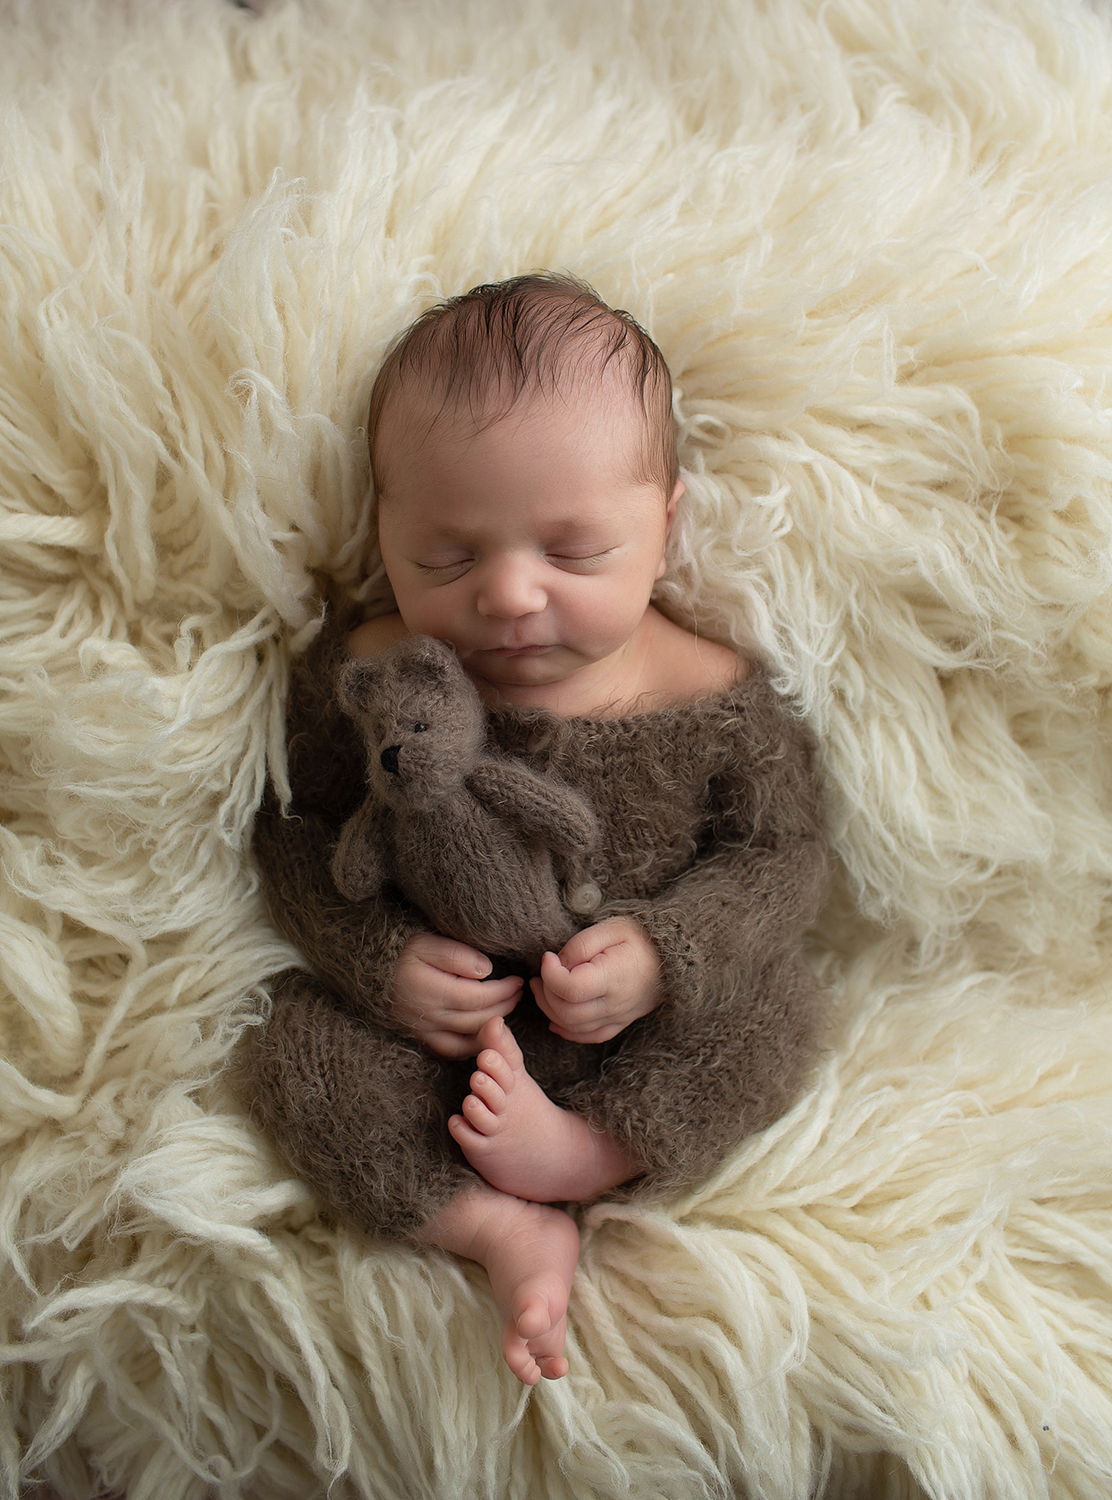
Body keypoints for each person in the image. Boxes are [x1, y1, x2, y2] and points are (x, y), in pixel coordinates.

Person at [239, 274, 829, 1386]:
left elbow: (782, 858)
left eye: (572, 553)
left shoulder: (712, 695)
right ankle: (493, 1225)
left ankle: (592, 1153)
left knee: (774, 1016)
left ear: (665, 525)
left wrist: (666, 952)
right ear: (383, 533)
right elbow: (294, 829)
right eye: (447, 559)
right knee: (293, 1052)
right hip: (438, 1044)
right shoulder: (369, 675)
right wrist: (376, 963)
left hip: (644, 1033)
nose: (508, 596)